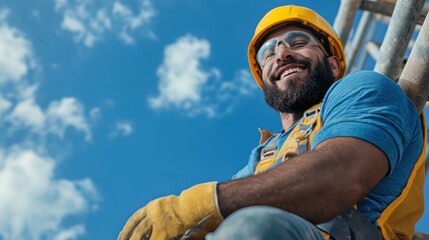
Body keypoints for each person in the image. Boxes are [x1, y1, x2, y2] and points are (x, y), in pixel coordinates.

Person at [118, 5, 426, 240]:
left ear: (332, 64)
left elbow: (340, 177)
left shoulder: (364, 90)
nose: (281, 53)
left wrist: (206, 202)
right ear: (265, 80)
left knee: (252, 226)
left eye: (298, 41)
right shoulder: (263, 155)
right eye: (268, 52)